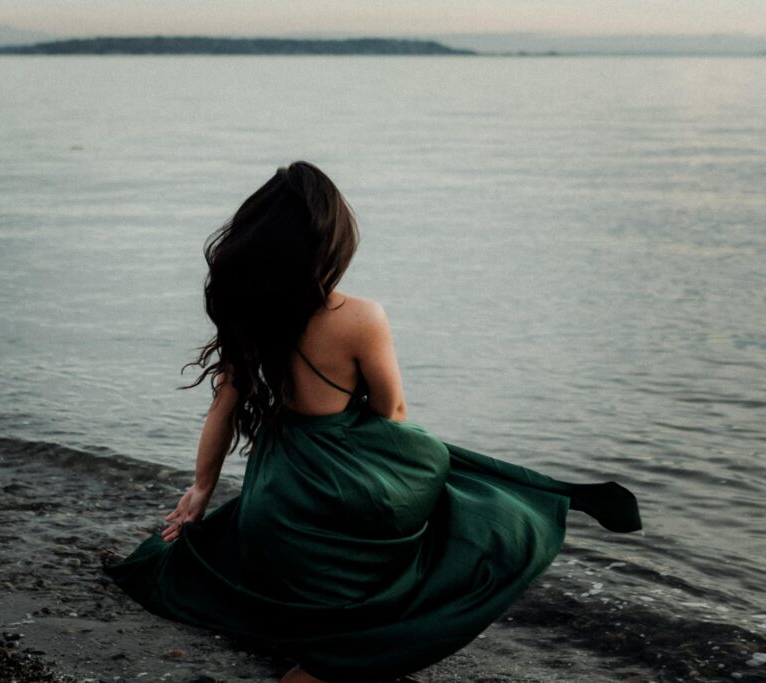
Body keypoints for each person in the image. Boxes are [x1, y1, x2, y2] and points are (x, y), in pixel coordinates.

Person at [102, 161, 641, 683]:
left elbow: (222, 408)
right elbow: (393, 415)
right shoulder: (360, 317)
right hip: (338, 492)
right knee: (484, 509)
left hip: (274, 508)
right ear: (332, 243)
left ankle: (306, 623)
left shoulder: (249, 313)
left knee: (268, 547)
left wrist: (201, 489)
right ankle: (335, 657)